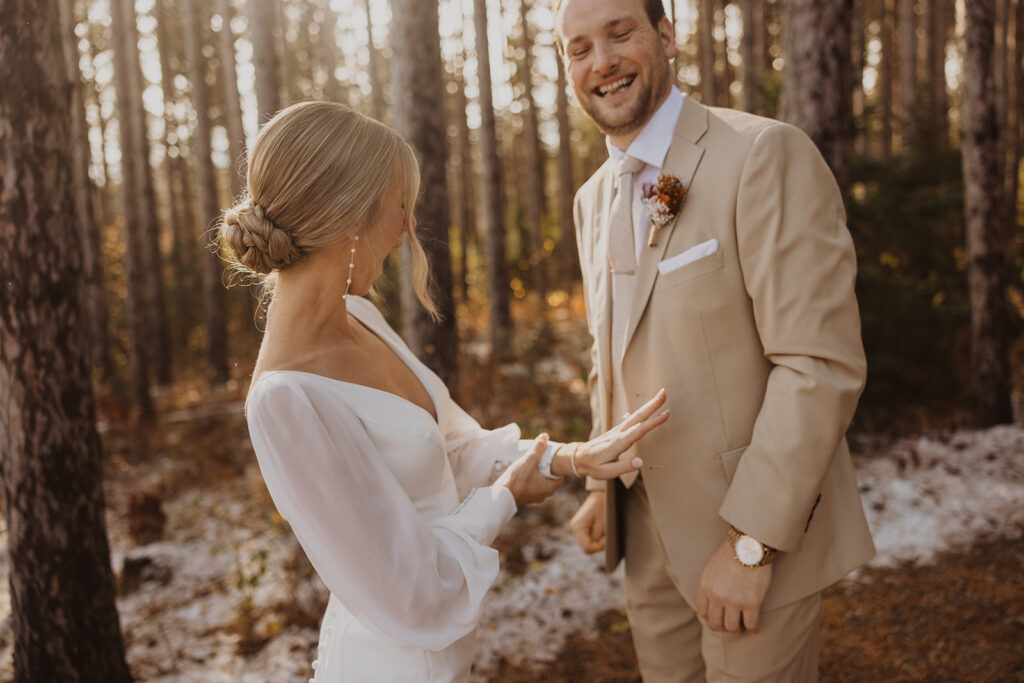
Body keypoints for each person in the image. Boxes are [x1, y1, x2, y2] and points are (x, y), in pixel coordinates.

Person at [220, 100, 669, 682]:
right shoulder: (285, 401)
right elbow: (414, 587)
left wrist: (566, 458)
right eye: (399, 206)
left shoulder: (360, 315)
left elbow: (451, 445)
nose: (406, 230)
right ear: (350, 216)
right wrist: (503, 497)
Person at [553, 0, 875, 680]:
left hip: (753, 550)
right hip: (646, 546)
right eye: (578, 49)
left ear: (666, 37)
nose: (601, 62)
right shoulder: (591, 201)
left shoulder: (761, 154)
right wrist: (598, 480)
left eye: (620, 34)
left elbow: (818, 365)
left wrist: (752, 543)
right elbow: (610, 352)